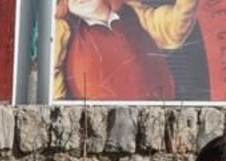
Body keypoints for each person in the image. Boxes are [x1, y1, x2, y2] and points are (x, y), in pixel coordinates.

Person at [54, 0, 203, 101]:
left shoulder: (134, 14)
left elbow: (174, 29)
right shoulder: (62, 30)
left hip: (157, 119)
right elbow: (54, 88)